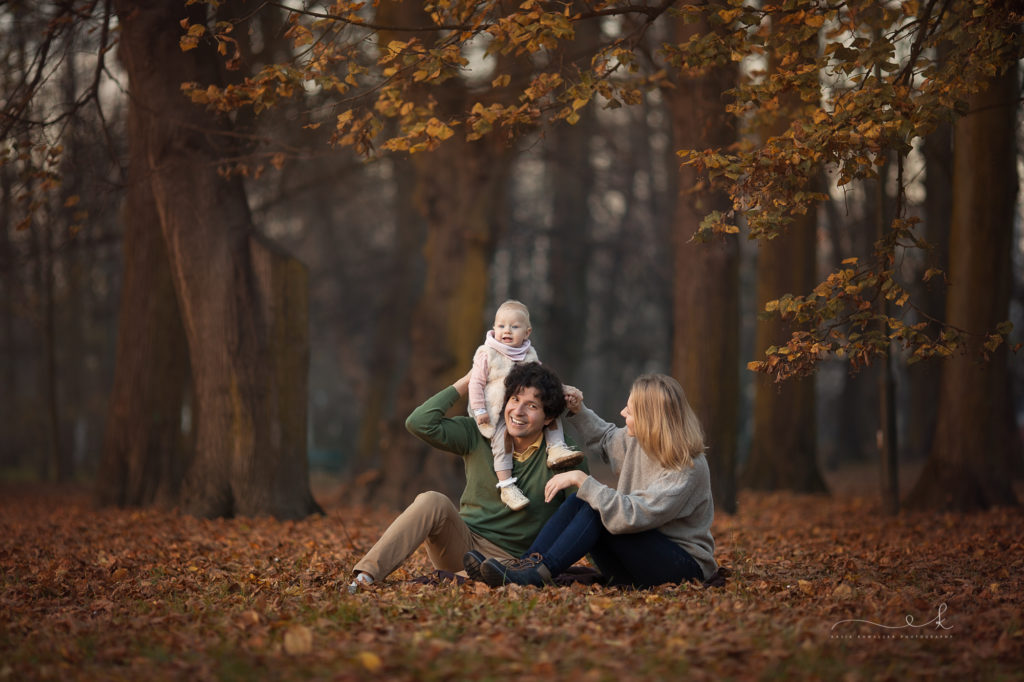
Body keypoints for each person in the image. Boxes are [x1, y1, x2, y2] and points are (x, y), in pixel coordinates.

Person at [348, 362, 588, 592]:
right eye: (515, 399)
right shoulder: (479, 433)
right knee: (432, 500)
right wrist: (468, 381)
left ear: (548, 417)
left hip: (513, 562)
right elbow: (418, 423)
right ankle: (365, 577)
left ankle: (473, 580)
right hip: (463, 545)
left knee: (484, 577)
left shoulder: (565, 456)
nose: (518, 411)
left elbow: (583, 513)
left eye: (532, 406)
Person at [466, 373, 716, 589]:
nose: (622, 412)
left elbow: (635, 515)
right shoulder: (639, 442)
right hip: (634, 562)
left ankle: (536, 574)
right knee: (583, 500)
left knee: (596, 505)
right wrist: (579, 409)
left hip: (682, 568)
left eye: (630, 411)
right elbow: (606, 439)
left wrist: (581, 479)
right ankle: (525, 567)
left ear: (651, 419)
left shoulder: (686, 467)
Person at [468, 299, 582, 511]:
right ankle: (506, 485)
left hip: (517, 406)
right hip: (494, 409)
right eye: (501, 326)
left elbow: (543, 381)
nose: (507, 331)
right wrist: (479, 409)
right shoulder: (487, 353)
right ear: (494, 328)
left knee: (550, 413)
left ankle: (556, 448)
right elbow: (475, 383)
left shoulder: (529, 354)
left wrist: (562, 389)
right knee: (501, 442)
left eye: (514, 326)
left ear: (527, 332)